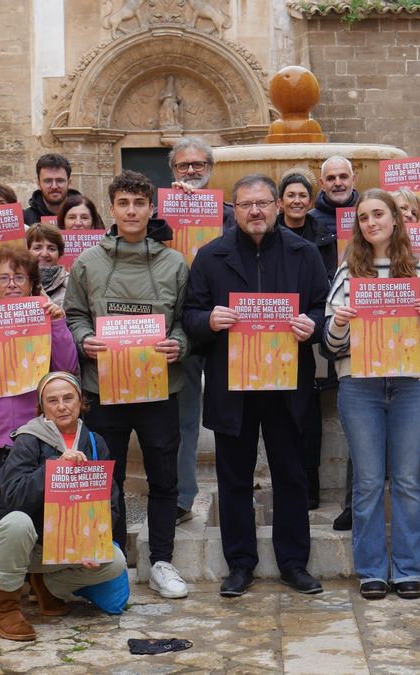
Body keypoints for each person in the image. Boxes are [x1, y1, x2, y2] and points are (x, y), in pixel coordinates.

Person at [183, 174, 330, 597]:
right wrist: (209, 320)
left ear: (278, 206)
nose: (255, 212)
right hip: (234, 387)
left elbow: (322, 305)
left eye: (263, 203)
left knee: (291, 475)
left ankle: (293, 563)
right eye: (246, 204)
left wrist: (313, 324)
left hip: (288, 385)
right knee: (233, 478)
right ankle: (240, 564)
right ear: (235, 208)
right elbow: (191, 315)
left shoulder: (304, 254)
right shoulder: (211, 256)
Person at [64, 170, 191, 599]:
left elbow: (185, 321)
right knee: (106, 478)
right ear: (113, 210)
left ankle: (161, 561)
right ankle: (112, 557)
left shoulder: (174, 263)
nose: (132, 211)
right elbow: (74, 314)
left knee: (164, 477)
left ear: (151, 208)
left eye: (140, 203)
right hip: (104, 388)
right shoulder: (88, 262)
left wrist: (179, 343)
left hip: (159, 390)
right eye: (124, 203)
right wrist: (85, 340)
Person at [324, 189, 420, 600]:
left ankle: (408, 569)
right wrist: (339, 322)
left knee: (408, 481)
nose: (371, 222)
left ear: (395, 218)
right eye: (363, 217)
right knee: (370, 482)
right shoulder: (346, 273)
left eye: (378, 214)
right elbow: (331, 343)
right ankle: (372, 570)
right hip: (360, 385)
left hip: (410, 384)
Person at [0, 372, 129, 641]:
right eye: (53, 400)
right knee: (18, 523)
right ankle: (6, 611)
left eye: (68, 398)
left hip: (57, 546)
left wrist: (90, 542)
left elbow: (108, 503)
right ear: (42, 408)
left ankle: (47, 586)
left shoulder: (95, 443)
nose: (61, 406)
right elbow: (15, 499)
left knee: (114, 562)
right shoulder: (27, 440)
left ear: (81, 402)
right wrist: (53, 470)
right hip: (7, 540)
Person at [0, 247, 78, 494]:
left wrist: (58, 325)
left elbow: (67, 368)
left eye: (19, 277)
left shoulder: (48, 318)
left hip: (40, 431)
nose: (12, 284)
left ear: (32, 283)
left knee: (38, 502)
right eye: (4, 278)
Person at [166, 136, 235, 525]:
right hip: (181, 325)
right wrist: (171, 212)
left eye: (197, 165)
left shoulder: (229, 214)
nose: (191, 172)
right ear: (172, 171)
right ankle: (182, 496)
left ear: (210, 168)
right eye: (182, 166)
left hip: (226, 325)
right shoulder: (161, 213)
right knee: (184, 416)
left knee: (231, 416)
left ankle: (234, 490)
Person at [277, 171, 337, 509]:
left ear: (310, 201)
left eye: (303, 195)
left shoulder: (323, 235)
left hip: (310, 329)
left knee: (310, 408)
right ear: (280, 201)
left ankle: (310, 483)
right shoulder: (269, 235)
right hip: (273, 332)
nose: (297, 201)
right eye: (291, 195)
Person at [23, 154, 81, 225]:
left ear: (69, 183)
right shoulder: (25, 220)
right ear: (39, 184)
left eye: (60, 180)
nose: (54, 186)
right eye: (48, 181)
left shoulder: (87, 218)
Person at [309, 155, 359, 235]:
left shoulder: (367, 215)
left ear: (353, 180)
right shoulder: (309, 221)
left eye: (343, 177)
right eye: (331, 178)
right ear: (322, 184)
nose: (338, 183)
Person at [26, 223, 70, 305]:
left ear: (59, 253)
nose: (44, 254)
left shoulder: (71, 283)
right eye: (37, 248)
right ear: (26, 251)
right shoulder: (16, 283)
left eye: (51, 249)